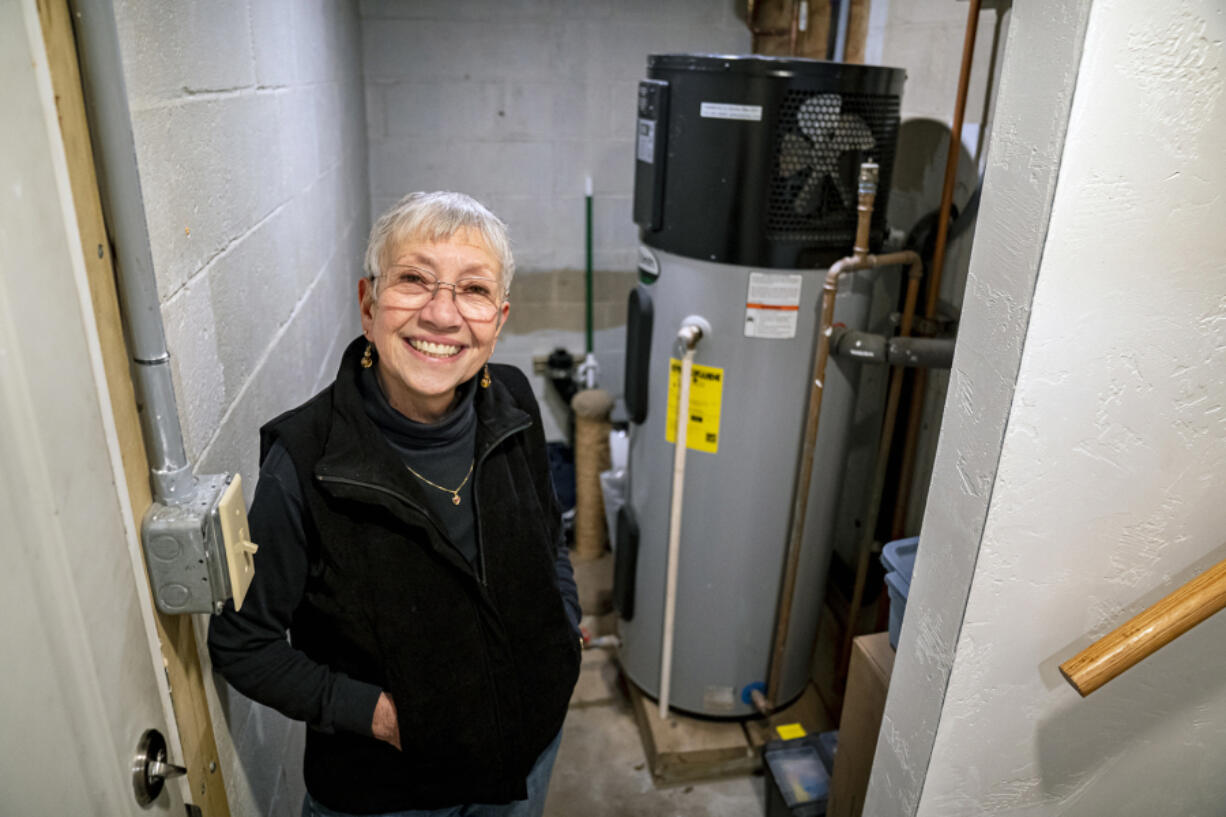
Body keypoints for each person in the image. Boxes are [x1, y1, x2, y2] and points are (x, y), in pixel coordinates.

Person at [208, 191, 582, 817]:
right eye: (414, 279)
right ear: (368, 303)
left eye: (474, 290)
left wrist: (562, 629)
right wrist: (380, 717)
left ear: (499, 316)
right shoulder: (304, 462)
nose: (442, 315)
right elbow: (243, 644)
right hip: (393, 794)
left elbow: (547, 534)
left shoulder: (513, 398)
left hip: (527, 752)